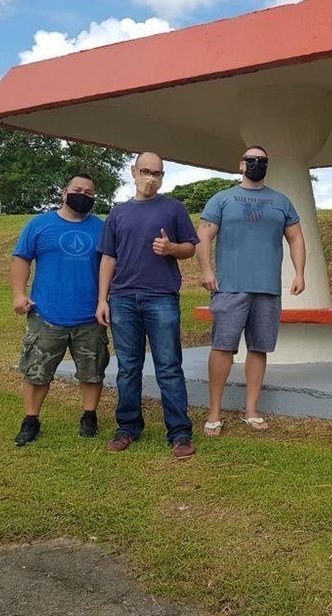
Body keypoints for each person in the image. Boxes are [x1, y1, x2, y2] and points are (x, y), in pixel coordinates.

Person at [197, 146, 306, 436]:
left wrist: (300, 273)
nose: (256, 164)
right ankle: (214, 413)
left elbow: (296, 238)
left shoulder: (281, 201)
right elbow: (204, 236)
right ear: (241, 165)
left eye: (262, 161)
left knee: (259, 348)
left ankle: (252, 411)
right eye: (251, 160)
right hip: (229, 287)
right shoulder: (222, 199)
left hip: (267, 288)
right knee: (222, 348)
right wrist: (207, 272)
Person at [95, 152, 199, 459]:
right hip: (123, 299)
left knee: (168, 367)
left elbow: (190, 248)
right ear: (133, 171)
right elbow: (108, 257)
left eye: (157, 173)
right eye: (145, 171)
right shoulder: (117, 213)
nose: (151, 178)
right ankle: (127, 427)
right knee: (128, 368)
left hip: (161, 297)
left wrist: (171, 248)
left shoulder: (174, 208)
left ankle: (179, 433)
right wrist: (102, 299)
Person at [11, 174, 109, 446]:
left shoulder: (101, 228)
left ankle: (89, 416)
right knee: (36, 371)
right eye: (78, 190)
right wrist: (19, 294)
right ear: (64, 191)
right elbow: (21, 258)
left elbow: (111, 265)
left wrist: (107, 299)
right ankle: (31, 420)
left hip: (90, 316)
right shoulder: (40, 225)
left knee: (93, 370)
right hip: (46, 314)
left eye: (89, 192)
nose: (83, 195)